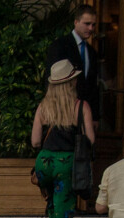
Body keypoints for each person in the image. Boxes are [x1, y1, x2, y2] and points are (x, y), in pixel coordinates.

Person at [31, 61, 96, 218]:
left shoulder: (43, 106)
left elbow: (35, 141)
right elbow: (91, 140)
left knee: (53, 204)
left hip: (44, 164)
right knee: (63, 215)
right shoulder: (80, 106)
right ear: (71, 82)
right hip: (65, 164)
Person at [47, 5, 100, 134]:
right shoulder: (60, 45)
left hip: (84, 114)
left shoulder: (92, 52)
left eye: (93, 25)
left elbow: (93, 86)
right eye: (87, 24)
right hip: (62, 111)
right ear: (76, 22)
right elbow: (51, 79)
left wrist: (95, 116)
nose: (91, 28)